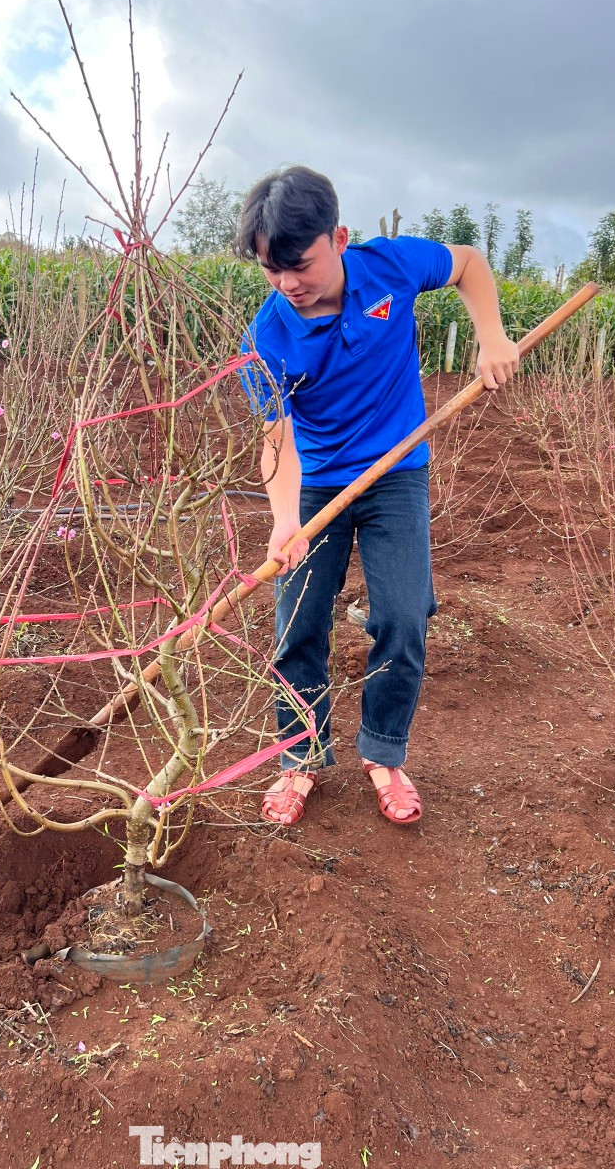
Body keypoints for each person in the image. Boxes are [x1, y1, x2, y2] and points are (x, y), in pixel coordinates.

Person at [237, 166, 519, 827]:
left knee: (402, 614)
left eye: (298, 264)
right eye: (270, 270)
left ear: (338, 238)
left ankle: (384, 752)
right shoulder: (268, 336)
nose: (286, 283)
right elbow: (276, 438)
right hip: (315, 482)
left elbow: (469, 265)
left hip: (397, 471)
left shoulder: (391, 267)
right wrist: (285, 521)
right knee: (299, 619)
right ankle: (299, 757)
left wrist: (493, 335)